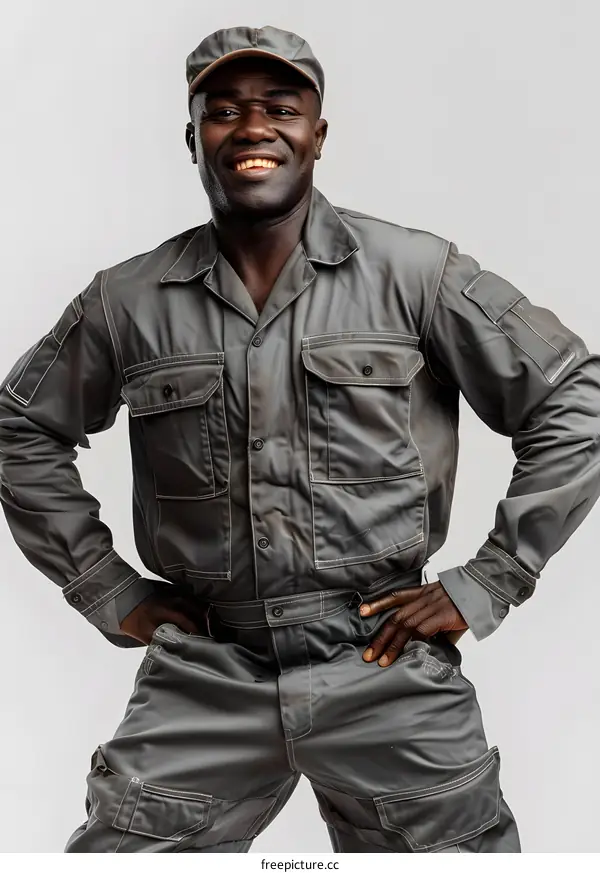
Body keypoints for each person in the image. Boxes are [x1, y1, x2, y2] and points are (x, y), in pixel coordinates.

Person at [1, 24, 599, 854]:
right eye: (224, 111)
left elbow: (575, 395)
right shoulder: (126, 301)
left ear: (317, 134)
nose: (253, 128)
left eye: (281, 107)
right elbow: (19, 426)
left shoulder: (416, 274)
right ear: (193, 139)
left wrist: (489, 579)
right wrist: (110, 589)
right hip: (208, 669)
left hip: (385, 665)